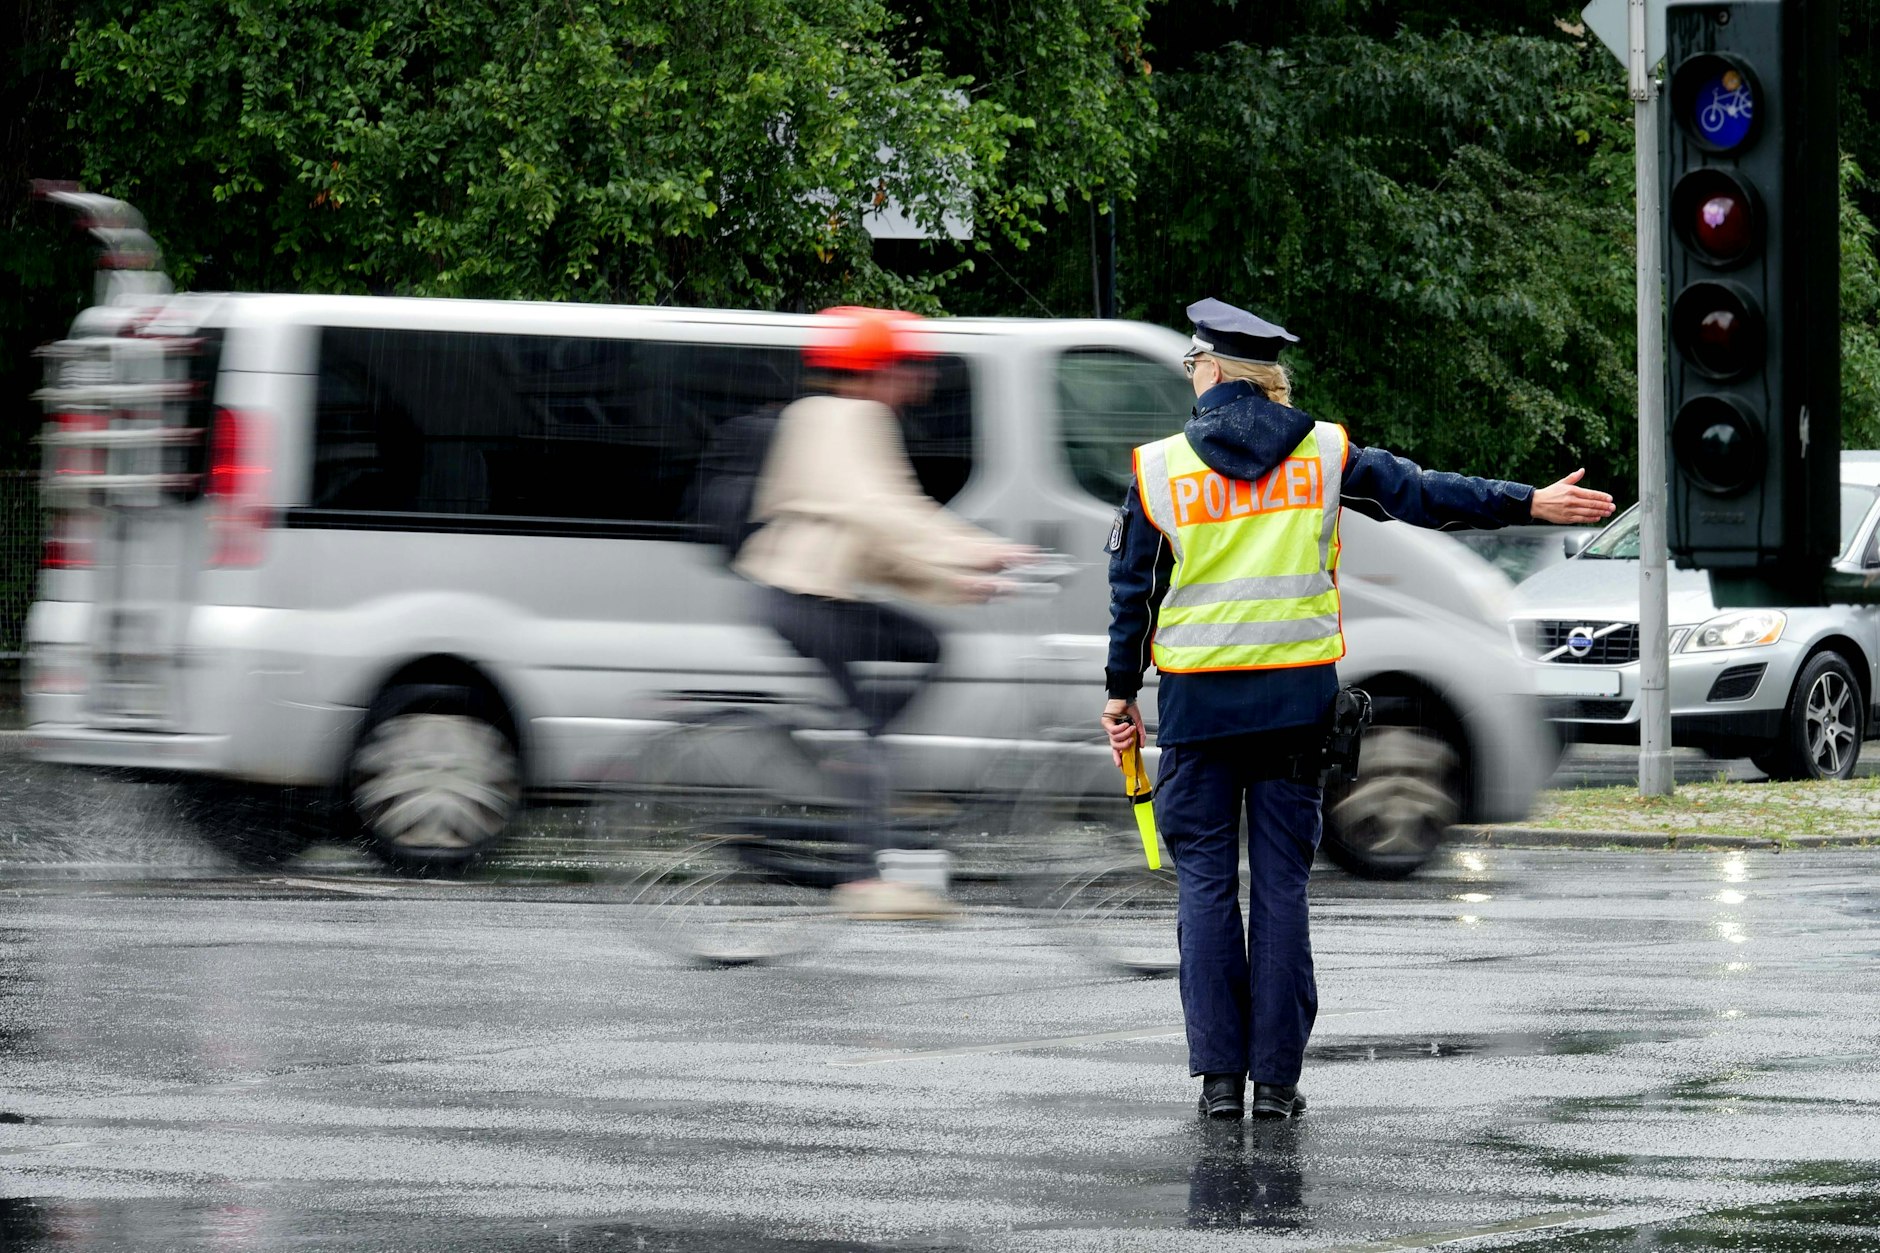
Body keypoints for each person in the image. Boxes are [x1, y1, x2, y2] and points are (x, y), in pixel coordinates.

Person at [1102, 298, 1614, 1120]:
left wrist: (1119, 692)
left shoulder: (1162, 467)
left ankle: (1219, 1086)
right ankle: (1275, 1085)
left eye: (1191, 364)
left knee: (1203, 887)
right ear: (1269, 378)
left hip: (1199, 711)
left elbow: (1133, 590)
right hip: (1297, 710)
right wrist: (1529, 501)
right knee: (1279, 891)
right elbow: (1421, 492)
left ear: (1209, 368)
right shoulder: (1326, 451)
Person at [736, 306, 1023, 919]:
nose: (915, 380)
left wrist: (956, 583)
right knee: (873, 730)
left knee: (920, 655)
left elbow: (870, 544)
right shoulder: (856, 418)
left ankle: (856, 752)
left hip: (793, 592)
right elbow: (884, 511)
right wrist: (980, 551)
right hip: (806, 599)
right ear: (879, 370)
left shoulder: (812, 414)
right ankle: (864, 876)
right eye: (906, 367)